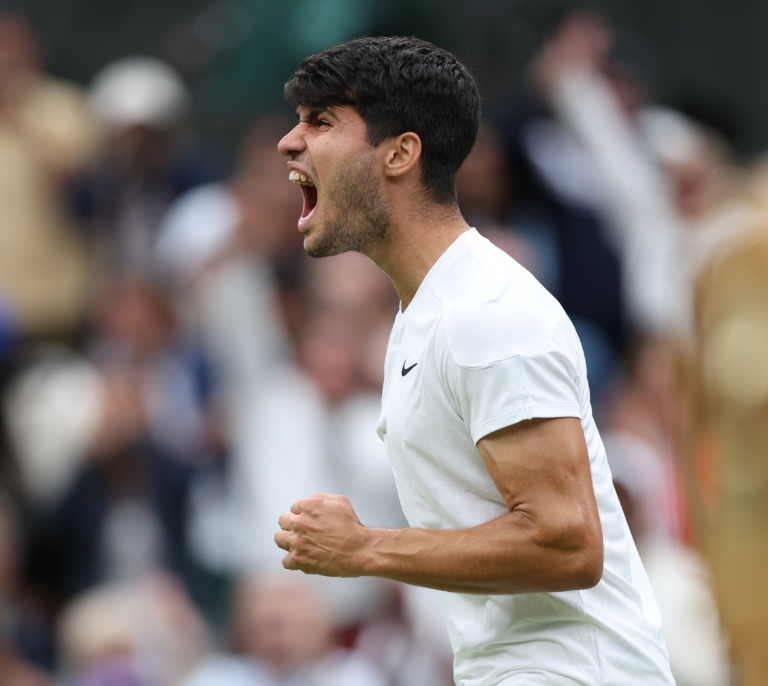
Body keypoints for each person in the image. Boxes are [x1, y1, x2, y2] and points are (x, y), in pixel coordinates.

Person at [273, 37, 675, 685]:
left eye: (321, 122)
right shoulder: (423, 313)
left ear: (401, 153)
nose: (290, 143)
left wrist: (366, 547)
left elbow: (568, 541)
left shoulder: (486, 312)